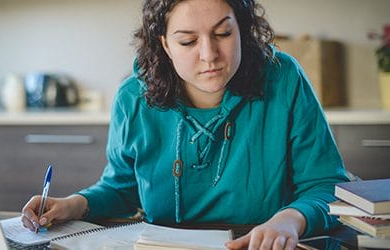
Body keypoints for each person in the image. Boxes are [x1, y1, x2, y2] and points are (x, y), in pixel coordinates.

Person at [21, 0, 350, 249]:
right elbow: (123, 188)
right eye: (187, 41)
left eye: (223, 33)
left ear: (243, 29)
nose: (210, 54)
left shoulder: (284, 78)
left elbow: (325, 185)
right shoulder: (133, 96)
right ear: (165, 44)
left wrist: (290, 220)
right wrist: (73, 205)